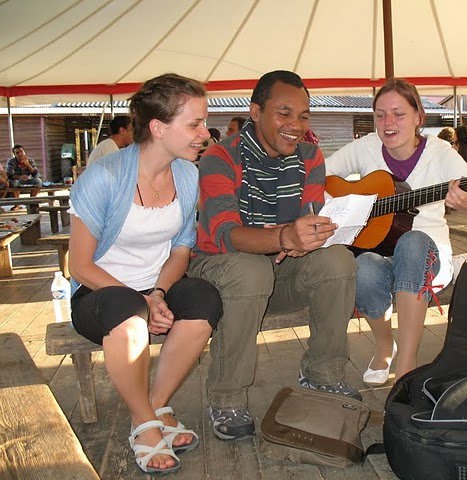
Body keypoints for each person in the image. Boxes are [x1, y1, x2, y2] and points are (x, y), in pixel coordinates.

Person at [188, 70, 359, 441]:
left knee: (338, 260)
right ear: (255, 111)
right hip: (219, 270)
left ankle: (323, 373)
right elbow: (225, 234)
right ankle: (227, 395)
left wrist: (313, 234)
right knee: (250, 270)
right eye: (284, 113)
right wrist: (285, 236)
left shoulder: (311, 156)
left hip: (280, 270)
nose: (295, 125)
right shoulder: (220, 156)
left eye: (303, 116)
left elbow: (306, 225)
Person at [68, 73, 222, 474]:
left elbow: (182, 248)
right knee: (125, 309)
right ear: (158, 127)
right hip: (100, 295)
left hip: (156, 289)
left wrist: (156, 293)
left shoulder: (188, 175)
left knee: (204, 297)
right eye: (194, 124)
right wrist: (141, 301)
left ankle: (155, 405)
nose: (204, 134)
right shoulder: (104, 177)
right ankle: (144, 423)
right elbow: (80, 265)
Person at [325, 78, 467, 385]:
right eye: (380, 114)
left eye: (398, 113)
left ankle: (407, 363)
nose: (388, 122)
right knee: (364, 266)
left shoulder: (440, 154)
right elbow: (323, 177)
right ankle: (385, 345)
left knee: (412, 241)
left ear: (418, 118)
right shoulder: (365, 147)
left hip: (429, 257)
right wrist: (349, 208)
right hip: (380, 252)